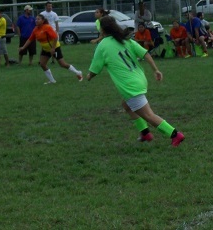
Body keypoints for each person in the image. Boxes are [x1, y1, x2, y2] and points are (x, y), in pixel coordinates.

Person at [87, 15, 185, 147]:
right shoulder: (125, 40)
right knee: (127, 105)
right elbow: (145, 53)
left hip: (130, 86)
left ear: (103, 30)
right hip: (139, 79)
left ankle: (175, 134)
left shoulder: (102, 45)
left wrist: (88, 76)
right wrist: (155, 70)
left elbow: (95, 69)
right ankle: (145, 133)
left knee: (149, 115)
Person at [18, 14, 83, 84]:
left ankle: (78, 72)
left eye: (38, 19)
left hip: (55, 48)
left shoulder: (47, 27)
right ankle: (52, 80)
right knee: (42, 64)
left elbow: (55, 37)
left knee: (62, 64)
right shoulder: (35, 29)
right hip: (45, 49)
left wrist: (53, 48)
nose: (36, 20)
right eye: (36, 19)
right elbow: (30, 39)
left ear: (43, 21)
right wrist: (23, 47)